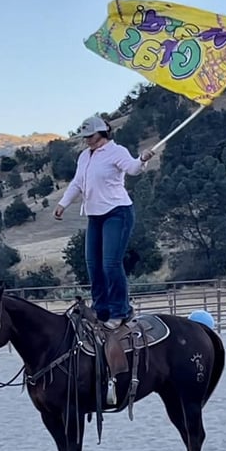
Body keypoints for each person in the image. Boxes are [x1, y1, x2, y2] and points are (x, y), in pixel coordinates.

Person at [54, 115, 155, 329]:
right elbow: (77, 183)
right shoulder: (84, 156)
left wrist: (143, 159)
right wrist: (63, 204)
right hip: (95, 215)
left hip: (117, 212)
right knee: (93, 264)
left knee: (111, 263)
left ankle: (121, 312)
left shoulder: (116, 151)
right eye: (85, 137)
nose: (87, 140)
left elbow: (132, 168)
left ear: (102, 132)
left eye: (91, 136)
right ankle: (100, 311)